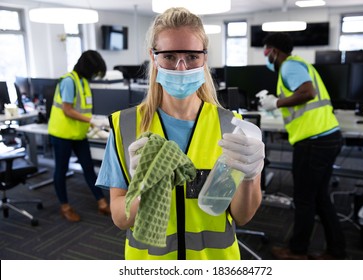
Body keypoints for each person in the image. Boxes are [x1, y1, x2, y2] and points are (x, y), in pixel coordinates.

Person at [96, 7, 265, 260]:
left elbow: (243, 216)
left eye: (192, 56)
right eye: (170, 56)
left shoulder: (232, 126)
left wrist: (250, 177)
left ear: (204, 58)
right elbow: (120, 219)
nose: (181, 67)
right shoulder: (126, 126)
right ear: (154, 57)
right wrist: (142, 188)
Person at [260, 33, 346, 260]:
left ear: (274, 51)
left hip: (314, 142)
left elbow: (308, 92)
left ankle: (297, 251)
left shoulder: (289, 67)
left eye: (266, 50)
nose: (266, 55)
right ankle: (336, 251)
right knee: (319, 197)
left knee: (304, 199)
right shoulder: (299, 64)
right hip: (326, 137)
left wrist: (276, 102)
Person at [48, 50, 111, 222]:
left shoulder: (83, 82)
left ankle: (102, 203)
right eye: (95, 71)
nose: (95, 76)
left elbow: (81, 108)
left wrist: (94, 121)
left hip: (78, 133)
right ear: (88, 67)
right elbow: (67, 110)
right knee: (61, 170)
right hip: (62, 134)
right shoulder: (69, 81)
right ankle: (65, 207)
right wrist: (92, 120)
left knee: (89, 168)